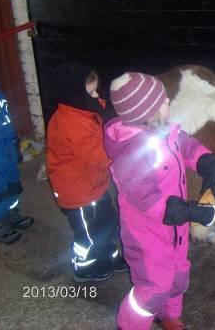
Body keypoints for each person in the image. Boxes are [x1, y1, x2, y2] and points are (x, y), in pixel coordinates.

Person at [104, 72, 215, 330]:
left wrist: (208, 163)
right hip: (148, 235)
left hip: (175, 230)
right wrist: (192, 212)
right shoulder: (131, 155)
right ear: (148, 112)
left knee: (178, 276)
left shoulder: (164, 130)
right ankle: (130, 325)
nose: (168, 100)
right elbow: (151, 204)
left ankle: (169, 316)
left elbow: (185, 145)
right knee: (153, 288)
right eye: (162, 99)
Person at [46, 62, 126, 282]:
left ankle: (109, 255)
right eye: (90, 92)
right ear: (73, 94)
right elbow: (99, 157)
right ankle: (85, 265)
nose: (96, 95)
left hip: (94, 186)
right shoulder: (71, 124)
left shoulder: (85, 109)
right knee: (88, 233)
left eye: (96, 90)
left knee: (107, 221)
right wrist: (123, 149)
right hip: (78, 193)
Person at [0, 83, 34, 243]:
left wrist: (14, 140)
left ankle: (11, 212)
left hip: (6, 150)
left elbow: (6, 120)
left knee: (13, 185)